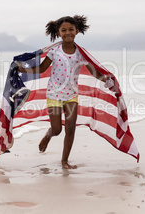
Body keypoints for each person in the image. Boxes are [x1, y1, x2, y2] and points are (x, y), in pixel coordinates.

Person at [16, 15, 107, 169]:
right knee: (57, 129)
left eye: (71, 29)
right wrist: (22, 69)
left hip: (71, 96)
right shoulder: (55, 51)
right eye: (63, 30)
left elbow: (93, 71)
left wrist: (108, 80)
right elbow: (43, 68)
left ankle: (64, 161)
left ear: (77, 31)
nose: (67, 33)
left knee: (71, 128)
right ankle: (48, 135)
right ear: (58, 33)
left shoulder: (80, 54)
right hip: (54, 95)